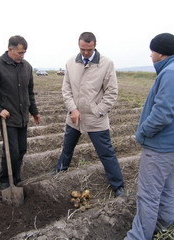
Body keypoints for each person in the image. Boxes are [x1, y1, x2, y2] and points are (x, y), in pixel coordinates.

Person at [124, 33, 174, 240]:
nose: (151, 55)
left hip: (160, 146)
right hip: (172, 144)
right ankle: (166, 223)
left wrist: (143, 132)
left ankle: (138, 236)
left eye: (152, 50)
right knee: (165, 187)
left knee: (148, 195)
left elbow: (162, 114)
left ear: (160, 52)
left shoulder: (170, 73)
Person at [53, 32, 124, 197]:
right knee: (67, 148)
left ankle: (118, 186)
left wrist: (98, 110)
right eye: (82, 49)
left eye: (89, 49)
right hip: (74, 117)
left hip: (95, 119)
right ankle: (59, 171)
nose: (85, 53)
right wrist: (73, 109)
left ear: (95, 45)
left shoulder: (106, 64)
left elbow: (112, 92)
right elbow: (66, 89)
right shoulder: (71, 62)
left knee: (106, 153)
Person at [0, 35, 41, 190]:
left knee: (22, 149)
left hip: (23, 116)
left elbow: (30, 92)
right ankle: (5, 180)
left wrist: (34, 111)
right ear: (10, 49)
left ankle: (16, 177)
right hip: (7, 117)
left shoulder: (26, 66)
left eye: (24, 53)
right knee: (11, 150)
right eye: (19, 53)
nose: (22, 56)